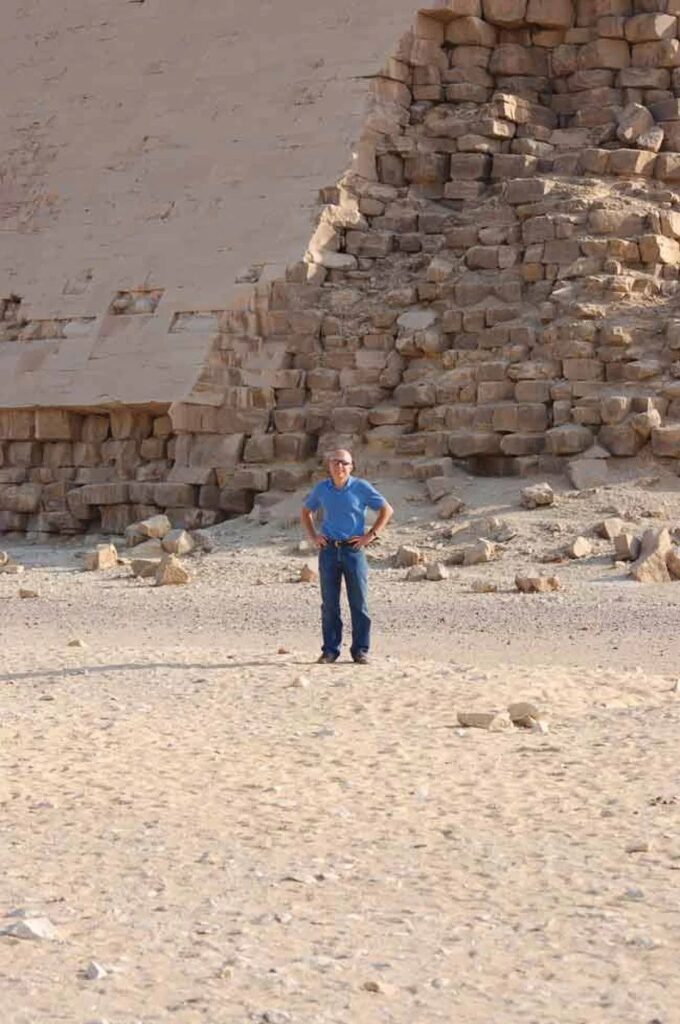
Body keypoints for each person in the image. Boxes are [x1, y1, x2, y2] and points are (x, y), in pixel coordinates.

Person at [300, 449, 393, 665]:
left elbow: (386, 510)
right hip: (329, 551)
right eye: (335, 462)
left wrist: (371, 535)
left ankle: (360, 651)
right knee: (330, 604)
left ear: (351, 466)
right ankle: (330, 651)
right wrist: (313, 536)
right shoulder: (322, 489)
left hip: (353, 551)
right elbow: (306, 511)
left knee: (359, 603)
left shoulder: (361, 487)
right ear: (329, 465)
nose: (340, 466)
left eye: (344, 463)